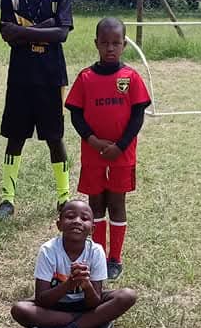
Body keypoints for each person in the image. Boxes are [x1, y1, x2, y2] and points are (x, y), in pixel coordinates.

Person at [64, 17, 151, 280]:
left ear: (124, 45)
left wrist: (121, 146)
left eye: (116, 43)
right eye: (105, 43)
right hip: (94, 154)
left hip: (122, 155)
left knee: (117, 202)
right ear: (96, 44)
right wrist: (93, 140)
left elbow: (137, 116)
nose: (110, 48)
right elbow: (76, 115)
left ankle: (115, 257)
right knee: (95, 204)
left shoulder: (130, 77)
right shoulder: (86, 77)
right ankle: (99, 254)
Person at [0, 0, 74, 219]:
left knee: (55, 137)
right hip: (21, 77)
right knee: (15, 137)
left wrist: (23, 30)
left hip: (51, 77)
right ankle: (7, 198)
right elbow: (7, 34)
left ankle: (64, 197)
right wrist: (46, 27)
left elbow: (62, 34)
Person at [10, 199, 138, 328]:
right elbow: (42, 300)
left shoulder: (96, 252)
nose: (77, 221)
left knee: (127, 296)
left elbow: (94, 303)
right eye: (70, 216)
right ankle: (91, 325)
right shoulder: (48, 250)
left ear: (92, 229)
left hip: (85, 304)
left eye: (84, 218)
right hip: (56, 306)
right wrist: (69, 284)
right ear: (59, 225)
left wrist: (86, 285)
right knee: (20, 309)